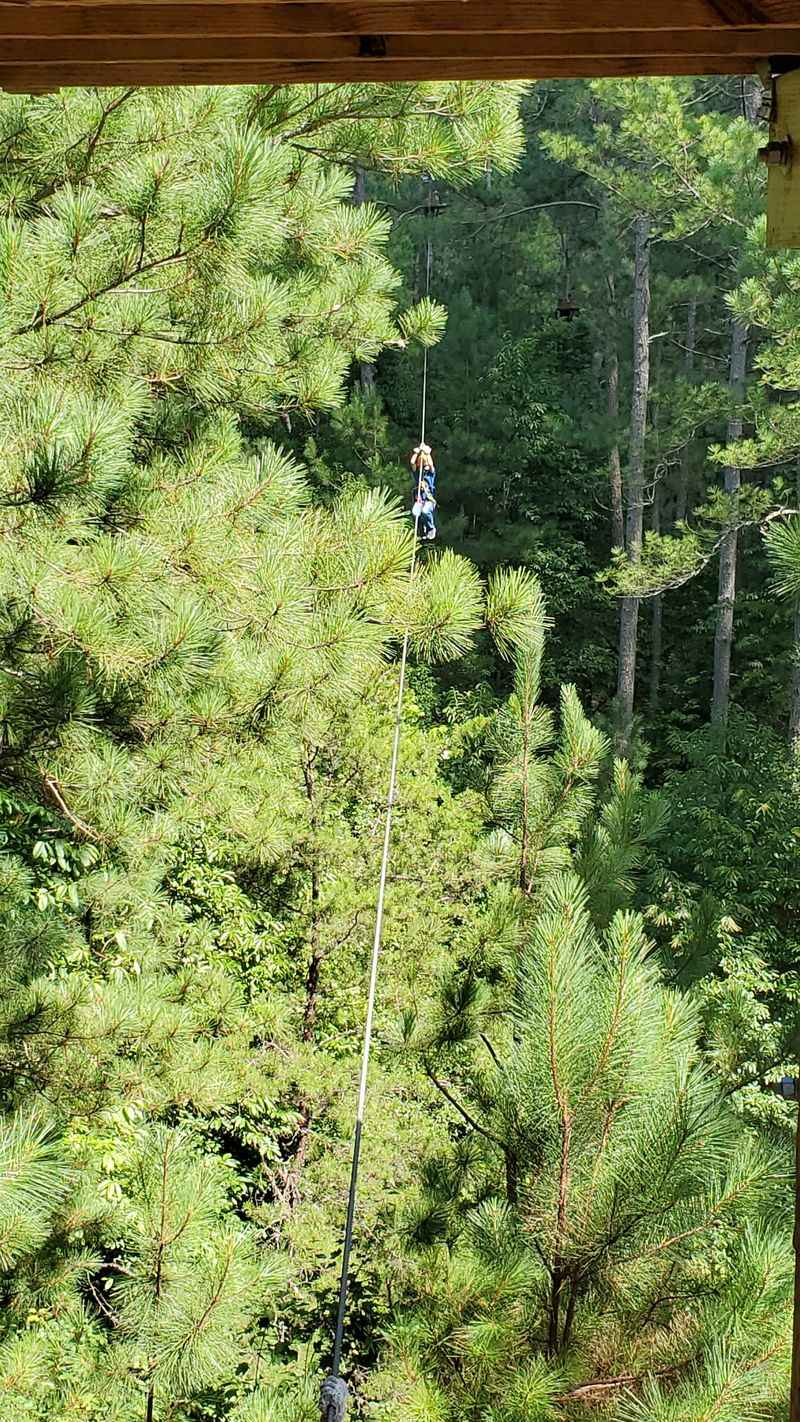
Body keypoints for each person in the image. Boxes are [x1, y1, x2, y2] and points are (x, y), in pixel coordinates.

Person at [410, 443, 437, 540]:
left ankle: (431, 529)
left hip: (429, 500)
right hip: (420, 500)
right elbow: (412, 462)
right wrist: (416, 453)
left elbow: (431, 464)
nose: (424, 465)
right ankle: (421, 531)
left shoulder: (430, 474)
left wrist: (427, 453)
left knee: (425, 511)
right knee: (415, 512)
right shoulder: (418, 473)